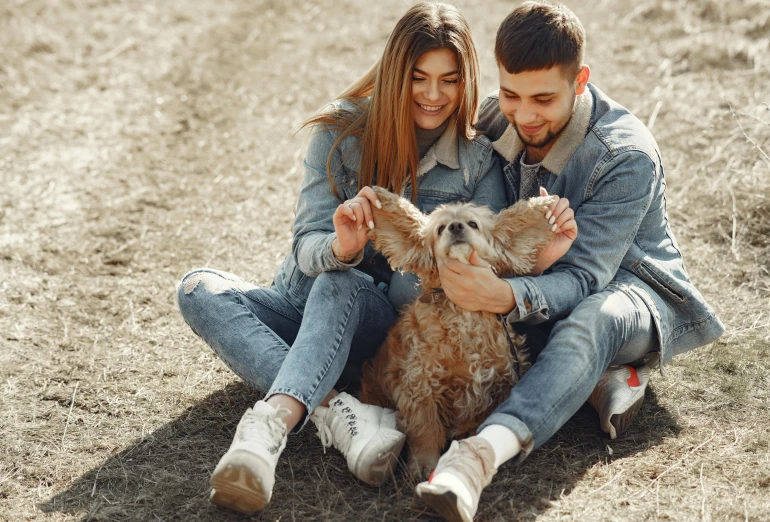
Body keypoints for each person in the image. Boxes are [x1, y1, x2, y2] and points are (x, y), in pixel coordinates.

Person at [176, 2, 575, 515]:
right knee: (198, 289)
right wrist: (341, 246)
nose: (434, 95)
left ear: (464, 82)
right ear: (393, 73)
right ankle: (339, 412)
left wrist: (543, 251)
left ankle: (269, 426)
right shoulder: (341, 131)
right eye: (418, 77)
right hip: (300, 308)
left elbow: (484, 258)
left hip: (381, 329)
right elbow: (305, 244)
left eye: (450, 80)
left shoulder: (476, 158)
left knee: (343, 286)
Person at [414, 3, 725, 521]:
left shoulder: (626, 155)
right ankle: (597, 380)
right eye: (512, 94)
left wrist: (508, 297)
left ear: (580, 80)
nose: (525, 114)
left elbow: (585, 277)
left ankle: (475, 459)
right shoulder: (496, 114)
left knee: (588, 322)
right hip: (534, 279)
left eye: (543, 99)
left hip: (631, 291)